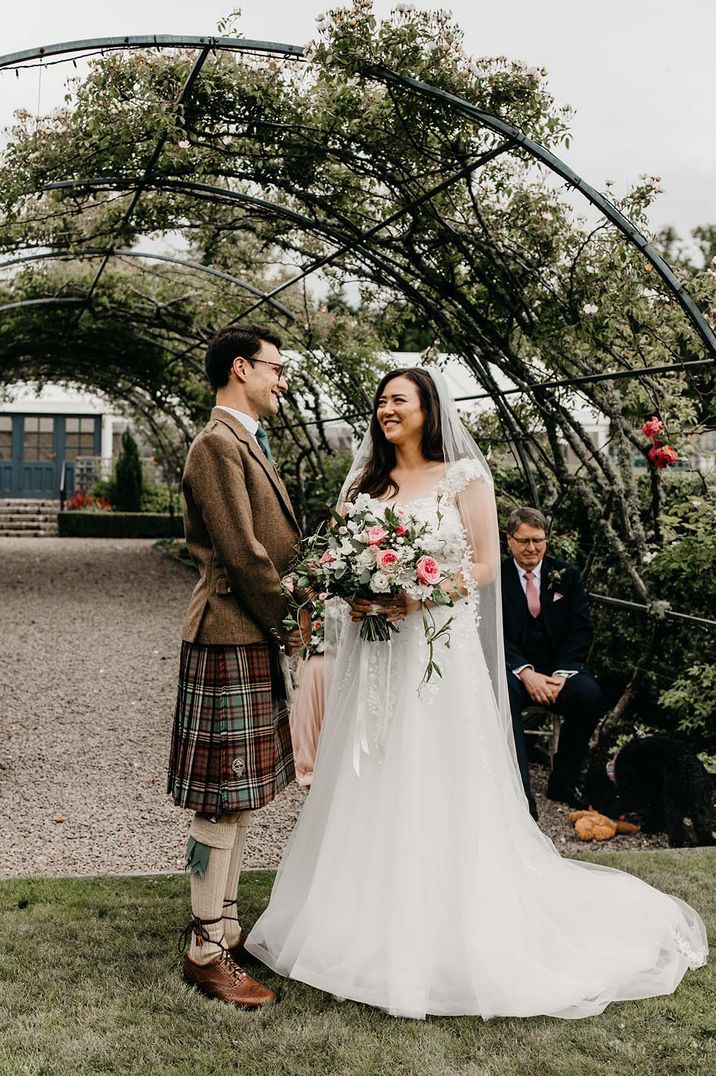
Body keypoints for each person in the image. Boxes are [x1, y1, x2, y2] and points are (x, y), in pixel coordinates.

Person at [245, 366, 707, 1020]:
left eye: (397, 400)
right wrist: (356, 589)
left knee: (435, 776)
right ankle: (357, 918)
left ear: (429, 408)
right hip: (376, 657)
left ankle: (443, 925)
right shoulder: (363, 483)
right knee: (371, 772)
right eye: (379, 401)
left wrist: (417, 591)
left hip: (435, 655)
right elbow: (339, 557)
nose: (385, 410)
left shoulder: (466, 477)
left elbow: (486, 563)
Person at [167, 322, 309, 1008]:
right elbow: (246, 553)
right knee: (218, 802)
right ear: (239, 369)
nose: (282, 379)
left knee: (240, 795)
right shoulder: (216, 444)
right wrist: (292, 623)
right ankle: (204, 947)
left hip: (245, 635)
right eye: (275, 367)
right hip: (228, 632)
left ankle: (224, 925)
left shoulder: (246, 441)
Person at [501, 506, 605, 816]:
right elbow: (489, 632)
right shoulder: (496, 577)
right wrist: (525, 672)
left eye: (538, 540)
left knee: (590, 696)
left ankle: (564, 779)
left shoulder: (567, 576)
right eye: (523, 541)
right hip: (515, 671)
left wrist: (562, 674)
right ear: (509, 540)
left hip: (560, 670)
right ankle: (521, 794)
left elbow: (580, 628)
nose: (531, 548)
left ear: (547, 539)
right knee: (501, 696)